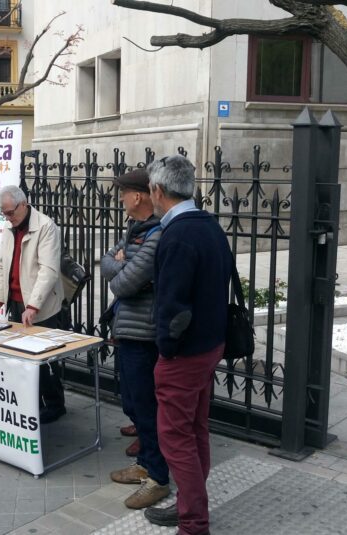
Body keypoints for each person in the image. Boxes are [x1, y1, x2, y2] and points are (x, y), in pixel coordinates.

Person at [143, 156, 232, 535]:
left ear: (158, 191)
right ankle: (187, 505)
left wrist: (167, 348)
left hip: (186, 354)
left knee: (176, 438)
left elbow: (173, 307)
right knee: (194, 431)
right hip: (209, 346)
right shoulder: (209, 226)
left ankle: (193, 522)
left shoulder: (178, 235)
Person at [101, 168, 170, 510]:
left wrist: (121, 266)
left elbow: (123, 283)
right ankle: (145, 462)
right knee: (134, 402)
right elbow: (105, 263)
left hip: (145, 333)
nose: (120, 199)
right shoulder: (134, 229)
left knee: (146, 407)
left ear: (139, 196)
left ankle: (157, 477)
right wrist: (120, 264)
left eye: (123, 194)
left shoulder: (156, 233)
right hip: (127, 328)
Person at [0, 185, 67, 424]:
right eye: (4, 214)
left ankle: (55, 404)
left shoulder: (45, 226)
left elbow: (48, 271)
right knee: (22, 357)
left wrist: (34, 305)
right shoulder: (9, 227)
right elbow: (2, 265)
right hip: (16, 301)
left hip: (40, 305)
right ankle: (33, 403)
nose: (7, 218)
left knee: (44, 359)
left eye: (10, 212)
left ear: (24, 204)